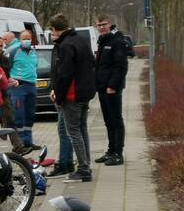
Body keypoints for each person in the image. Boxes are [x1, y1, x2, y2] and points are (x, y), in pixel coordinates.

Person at [48, 13, 96, 182]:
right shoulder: (81, 40)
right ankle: (86, 164)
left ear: (54, 29)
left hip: (73, 94)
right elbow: (91, 64)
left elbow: (65, 74)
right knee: (82, 129)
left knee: (73, 131)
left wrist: (59, 97)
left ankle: (83, 170)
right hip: (85, 93)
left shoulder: (66, 45)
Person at [94, 14, 128, 165]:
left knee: (116, 120)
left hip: (111, 89)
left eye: (104, 24)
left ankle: (118, 153)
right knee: (108, 121)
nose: (101, 27)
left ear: (110, 24)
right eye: (99, 25)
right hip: (102, 87)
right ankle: (111, 150)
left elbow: (120, 66)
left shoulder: (117, 41)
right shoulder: (102, 41)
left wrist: (112, 86)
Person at [45, 27, 75, 177]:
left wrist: (58, 92)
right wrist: (52, 88)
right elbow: (54, 72)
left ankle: (64, 164)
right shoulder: (56, 48)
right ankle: (67, 161)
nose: (53, 36)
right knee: (64, 129)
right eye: (51, 33)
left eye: (55, 33)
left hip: (65, 96)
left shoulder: (64, 47)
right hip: (59, 93)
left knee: (64, 130)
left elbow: (64, 74)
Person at [0, 36, 26, 153]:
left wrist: (13, 80)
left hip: (3, 94)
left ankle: (17, 145)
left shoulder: (5, 59)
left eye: (2, 45)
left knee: (9, 117)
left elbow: (7, 76)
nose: (0, 48)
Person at [7, 29, 40, 150]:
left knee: (30, 115)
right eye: (24, 38)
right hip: (18, 87)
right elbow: (6, 69)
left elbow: (34, 66)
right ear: (19, 40)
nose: (26, 41)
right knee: (19, 115)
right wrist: (11, 80)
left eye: (28, 38)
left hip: (31, 86)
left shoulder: (33, 52)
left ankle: (28, 141)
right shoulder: (13, 51)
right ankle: (20, 143)